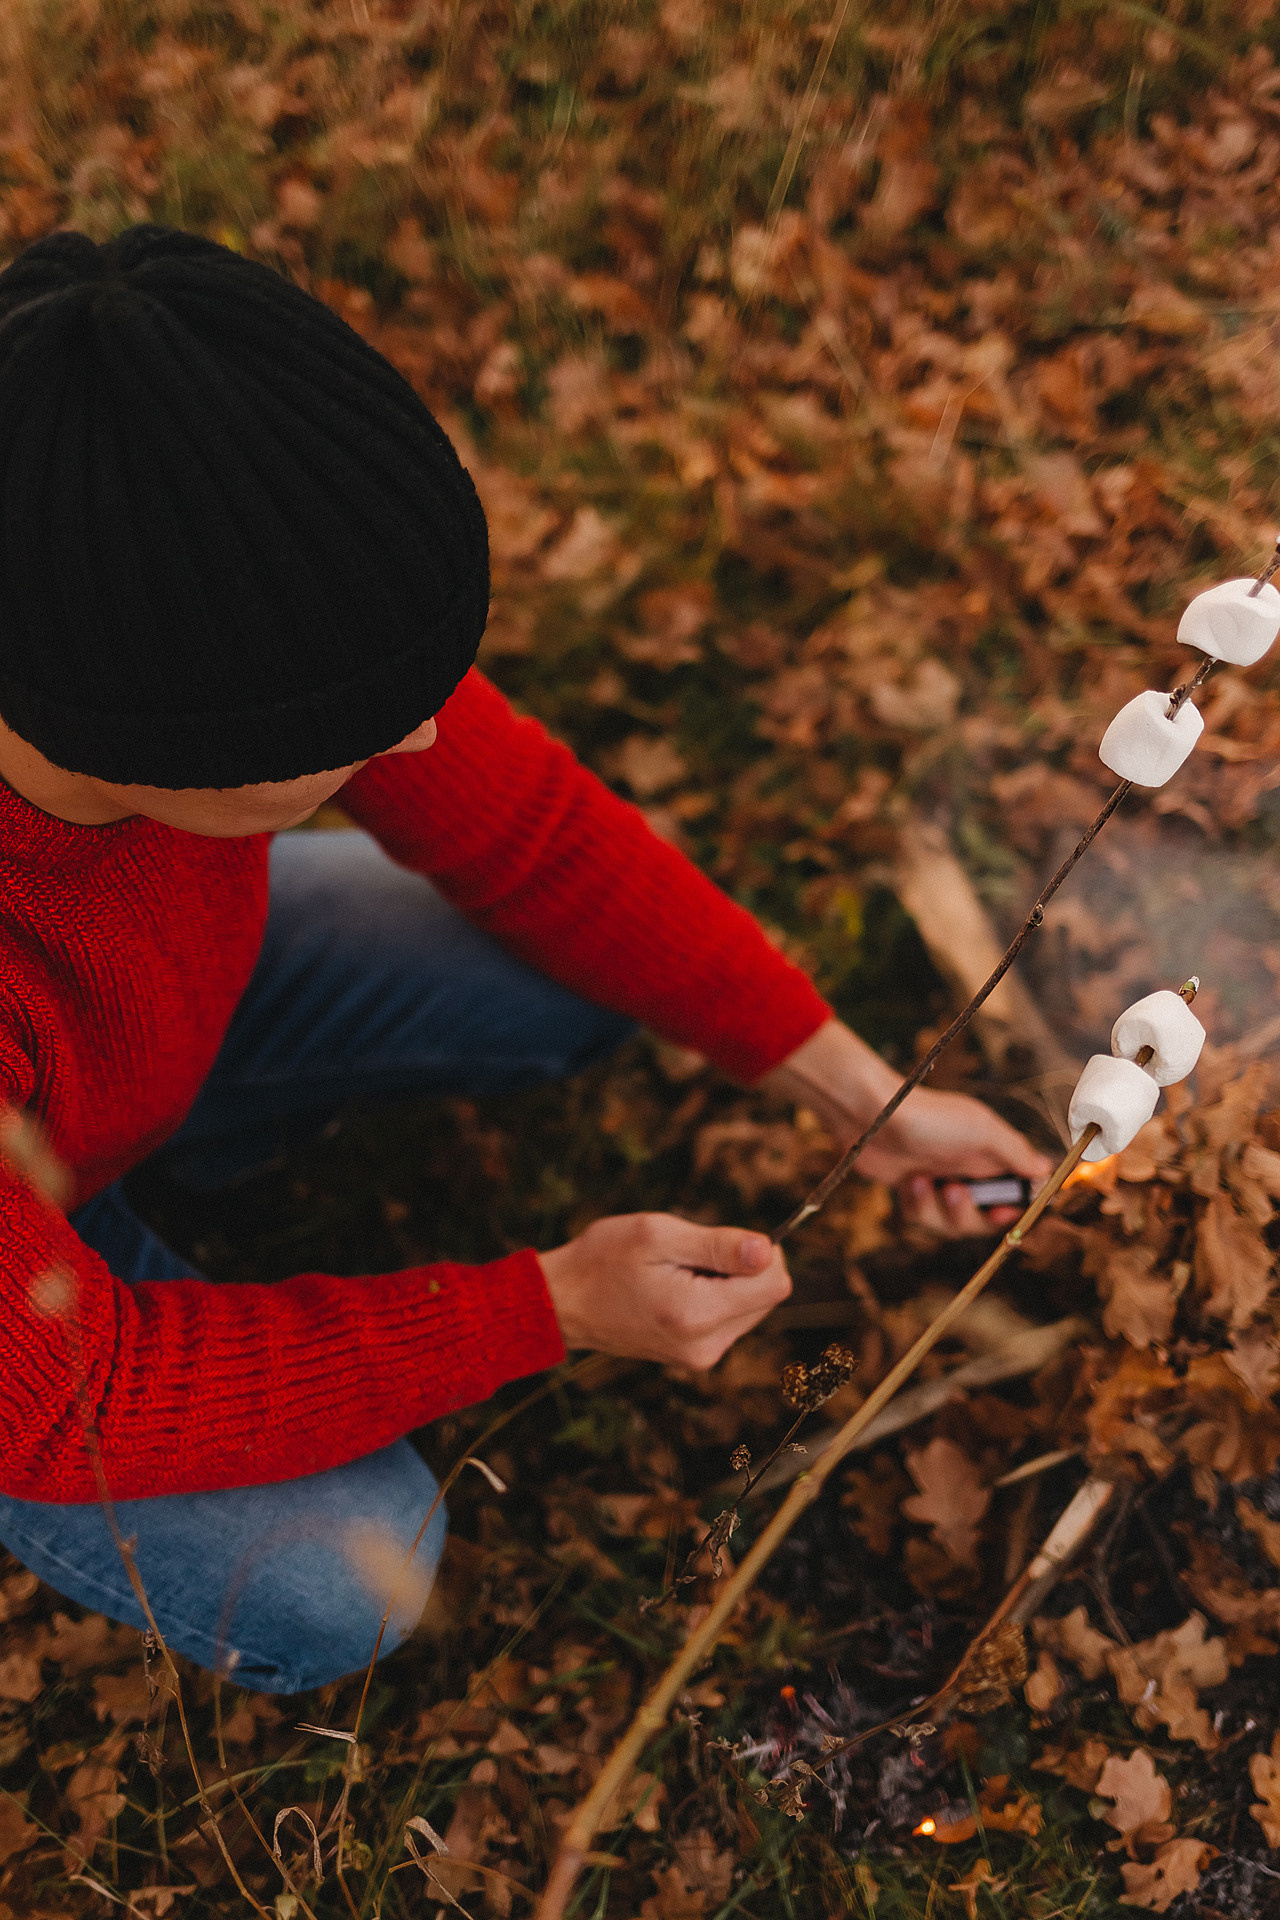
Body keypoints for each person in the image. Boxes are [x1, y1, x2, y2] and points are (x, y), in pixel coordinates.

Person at [0, 225, 1050, 1694]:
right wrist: (541, 1305)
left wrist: (850, 1088)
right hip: (36, 1332)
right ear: (139, 742)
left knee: (568, 963)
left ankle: (190, 1126)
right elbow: (77, 1398)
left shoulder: (151, 581)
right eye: (355, 743)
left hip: (149, 1008)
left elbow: (540, 837)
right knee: (332, 1580)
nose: (422, 744)